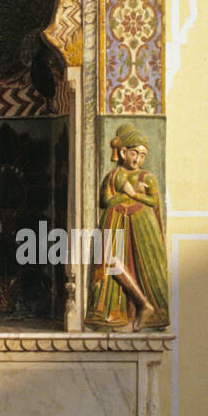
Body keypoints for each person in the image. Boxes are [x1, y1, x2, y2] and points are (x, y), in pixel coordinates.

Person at [85, 123, 169, 331]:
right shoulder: (113, 176)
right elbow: (106, 201)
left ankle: (148, 307)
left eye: (142, 155)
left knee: (146, 266)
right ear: (123, 152)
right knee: (110, 262)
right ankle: (140, 304)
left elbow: (153, 202)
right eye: (134, 153)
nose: (138, 159)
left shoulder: (147, 176)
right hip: (114, 221)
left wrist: (135, 195)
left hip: (142, 224)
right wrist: (127, 194)